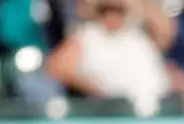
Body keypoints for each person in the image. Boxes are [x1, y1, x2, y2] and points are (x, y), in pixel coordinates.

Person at [45, 0, 174, 109]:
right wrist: (96, 89)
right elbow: (56, 68)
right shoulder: (87, 35)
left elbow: (167, 33)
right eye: (107, 10)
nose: (112, 15)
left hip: (154, 107)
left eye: (118, 10)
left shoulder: (137, 36)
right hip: (110, 110)